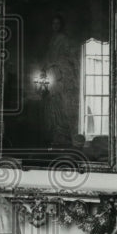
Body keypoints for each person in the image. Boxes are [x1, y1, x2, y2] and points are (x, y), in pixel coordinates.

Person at [41, 14, 79, 147]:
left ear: (61, 25)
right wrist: (45, 68)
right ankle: (56, 136)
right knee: (52, 103)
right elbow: (48, 58)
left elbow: (69, 56)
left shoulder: (63, 39)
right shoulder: (52, 40)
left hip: (60, 73)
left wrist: (58, 67)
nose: (55, 26)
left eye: (57, 23)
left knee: (60, 103)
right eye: (53, 23)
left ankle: (64, 136)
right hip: (52, 74)